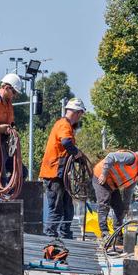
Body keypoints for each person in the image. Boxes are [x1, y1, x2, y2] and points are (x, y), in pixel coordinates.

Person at [38, 97, 87, 239]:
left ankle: (66, 234)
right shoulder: (63, 125)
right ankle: (50, 236)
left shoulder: (67, 126)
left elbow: (66, 148)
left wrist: (77, 157)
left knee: (68, 208)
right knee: (57, 209)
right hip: (54, 173)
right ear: (77, 113)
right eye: (80, 114)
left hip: (60, 175)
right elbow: (66, 142)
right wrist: (77, 153)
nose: (80, 118)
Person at [92, 149, 138, 241]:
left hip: (112, 183)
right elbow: (111, 157)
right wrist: (104, 174)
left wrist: (126, 207)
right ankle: (104, 233)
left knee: (119, 208)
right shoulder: (131, 158)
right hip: (100, 176)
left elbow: (128, 191)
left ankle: (117, 234)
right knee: (104, 203)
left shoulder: (137, 174)